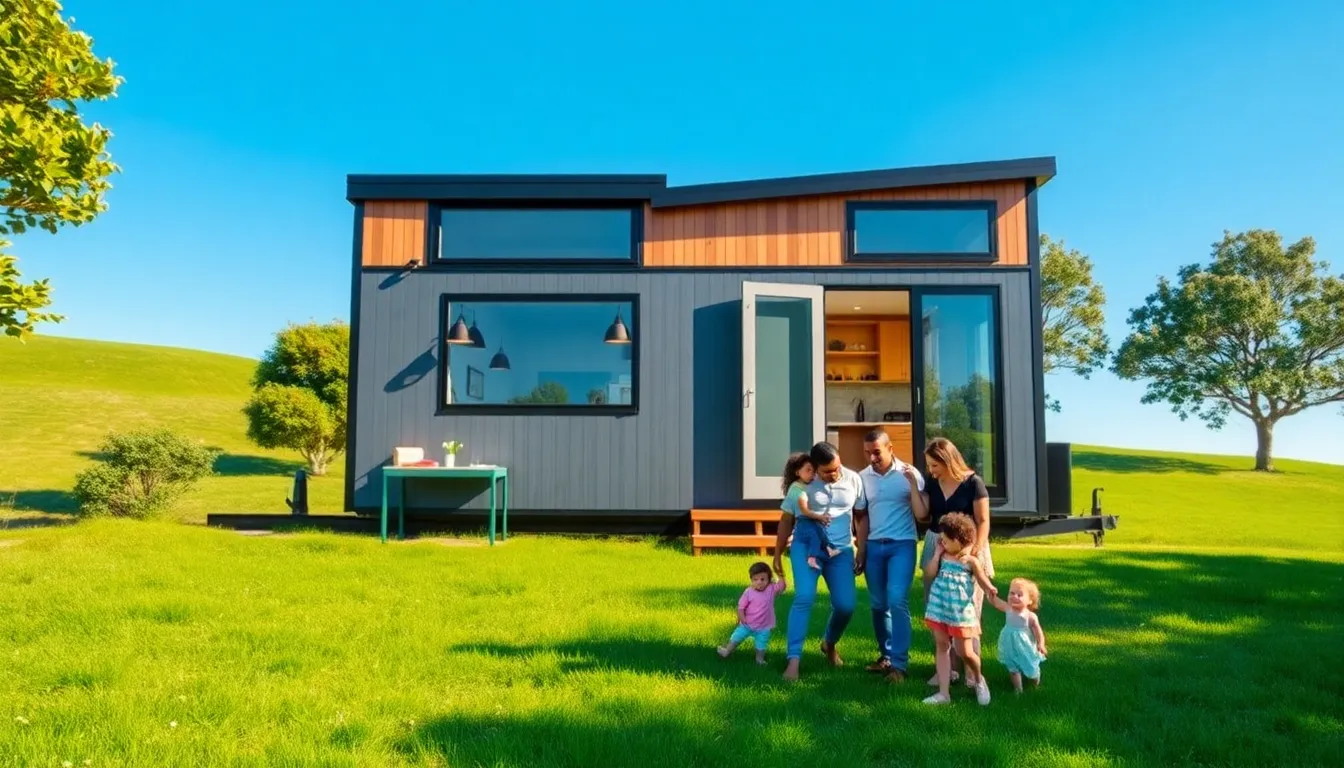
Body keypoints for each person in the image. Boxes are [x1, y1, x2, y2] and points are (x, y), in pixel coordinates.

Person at [771, 441, 865, 682]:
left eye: (837, 468)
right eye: (827, 471)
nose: (834, 474)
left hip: (840, 551)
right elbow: (786, 519)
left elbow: (861, 516)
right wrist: (777, 553)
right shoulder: (802, 485)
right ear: (814, 467)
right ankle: (793, 660)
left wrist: (861, 549)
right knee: (804, 597)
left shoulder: (853, 479)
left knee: (846, 605)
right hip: (807, 549)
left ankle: (829, 644)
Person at [910, 437, 994, 688]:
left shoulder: (973, 483)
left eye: (935, 465)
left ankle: (972, 674)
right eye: (929, 465)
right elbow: (922, 514)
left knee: (968, 612)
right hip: (937, 546)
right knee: (937, 607)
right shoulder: (933, 483)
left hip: (968, 548)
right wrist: (913, 485)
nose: (931, 470)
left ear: (948, 461)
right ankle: (947, 671)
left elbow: (983, 521)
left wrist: (974, 552)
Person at [853, 428, 925, 684]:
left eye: (877, 452)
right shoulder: (862, 478)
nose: (872, 458)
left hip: (902, 545)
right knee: (878, 603)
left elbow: (923, 512)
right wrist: (861, 550)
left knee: (897, 599)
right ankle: (886, 656)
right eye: (867, 453)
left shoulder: (909, 474)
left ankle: (900, 665)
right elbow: (861, 517)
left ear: (890, 448)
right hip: (874, 547)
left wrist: (913, 486)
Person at [921, 512, 997, 706]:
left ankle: (979, 679)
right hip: (939, 608)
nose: (942, 542)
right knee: (942, 646)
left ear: (958, 540)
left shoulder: (970, 560)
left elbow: (981, 578)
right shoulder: (942, 555)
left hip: (961, 612)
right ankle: (943, 694)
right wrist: (936, 554)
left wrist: (989, 588)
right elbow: (929, 574)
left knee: (965, 652)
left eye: (946, 540)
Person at [718, 561, 789, 665]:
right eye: (755, 579)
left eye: (762, 579)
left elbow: (782, 586)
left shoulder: (771, 589)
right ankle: (727, 651)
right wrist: (742, 618)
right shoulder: (749, 592)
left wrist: (780, 574)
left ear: (769, 579)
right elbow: (741, 607)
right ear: (751, 579)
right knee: (736, 637)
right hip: (747, 624)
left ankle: (759, 659)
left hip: (764, 627)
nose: (759, 582)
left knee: (761, 645)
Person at [986, 577, 1047, 692]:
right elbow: (996, 603)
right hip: (1010, 643)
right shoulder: (1008, 608)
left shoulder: (1030, 616)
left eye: (1019, 595)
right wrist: (991, 594)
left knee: (1031, 666)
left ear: (1030, 600)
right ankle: (1018, 690)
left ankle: (1035, 682)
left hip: (1025, 645)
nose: (1014, 596)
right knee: (1013, 666)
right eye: (1012, 593)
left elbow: (1038, 631)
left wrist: (1041, 644)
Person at [780, 452, 837, 570]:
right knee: (814, 537)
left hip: (813, 520)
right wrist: (820, 517)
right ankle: (812, 557)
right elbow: (803, 511)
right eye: (808, 470)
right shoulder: (796, 489)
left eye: (814, 471)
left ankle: (829, 549)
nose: (812, 474)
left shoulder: (809, 485)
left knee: (821, 534)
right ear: (797, 472)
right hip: (805, 521)